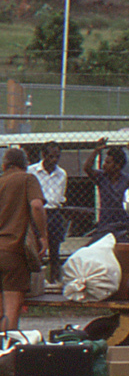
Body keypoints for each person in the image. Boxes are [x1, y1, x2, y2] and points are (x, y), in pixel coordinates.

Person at [0, 147, 47, 332]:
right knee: (12, 310)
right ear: (25, 164)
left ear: (4, 164)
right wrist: (43, 236)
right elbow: (36, 206)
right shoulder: (27, 179)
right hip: (13, 252)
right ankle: (8, 352)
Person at [84, 138, 129, 241]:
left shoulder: (127, 180)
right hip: (105, 225)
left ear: (117, 165)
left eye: (108, 162)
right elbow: (87, 168)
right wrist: (96, 151)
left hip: (123, 225)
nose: (104, 165)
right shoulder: (102, 178)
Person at [27, 141, 67, 284]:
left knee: (55, 249)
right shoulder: (31, 171)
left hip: (54, 212)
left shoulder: (61, 173)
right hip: (37, 212)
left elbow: (60, 196)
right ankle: (36, 280)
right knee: (37, 248)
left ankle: (55, 280)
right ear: (43, 155)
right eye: (51, 156)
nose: (54, 160)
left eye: (57, 157)